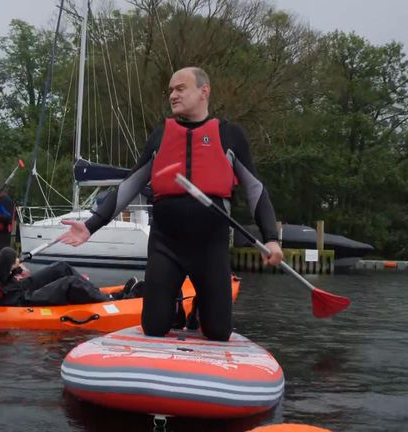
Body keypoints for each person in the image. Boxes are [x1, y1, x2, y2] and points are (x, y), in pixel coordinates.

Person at [58, 67, 284, 341]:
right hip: (166, 245)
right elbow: (129, 186)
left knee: (219, 332)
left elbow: (255, 190)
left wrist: (271, 238)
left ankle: (200, 307)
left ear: (204, 91)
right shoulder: (161, 135)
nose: (172, 95)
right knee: (154, 327)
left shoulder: (230, 135)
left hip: (210, 247)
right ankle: (174, 304)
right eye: (170, 90)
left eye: (180, 88)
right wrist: (91, 225)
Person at [0, 207, 140, 307]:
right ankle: (116, 302)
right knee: (69, 284)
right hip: (1, 301)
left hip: (10, 287)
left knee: (62, 267)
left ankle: (109, 295)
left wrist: (15, 269)